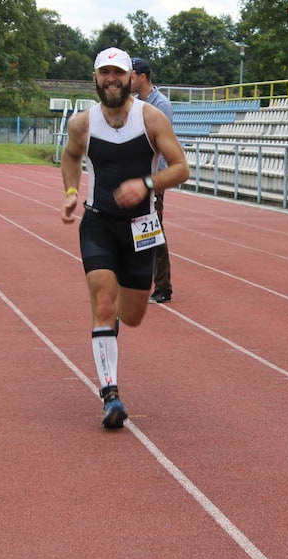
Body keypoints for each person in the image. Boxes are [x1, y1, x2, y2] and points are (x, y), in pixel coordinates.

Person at [60, 47, 189, 428]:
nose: (112, 79)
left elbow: (181, 168)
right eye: (105, 73)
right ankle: (111, 395)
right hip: (98, 221)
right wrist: (70, 194)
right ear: (96, 79)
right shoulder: (82, 123)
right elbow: (70, 157)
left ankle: (110, 324)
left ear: (131, 77)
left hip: (141, 226)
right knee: (102, 299)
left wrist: (146, 183)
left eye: (119, 73)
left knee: (130, 315)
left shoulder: (150, 119)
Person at [131, 56, 174, 304]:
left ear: (142, 76)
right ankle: (139, 281)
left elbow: (162, 144)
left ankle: (163, 287)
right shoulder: (136, 104)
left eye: (131, 75)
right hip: (138, 175)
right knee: (137, 229)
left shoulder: (161, 106)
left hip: (154, 177)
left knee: (152, 229)